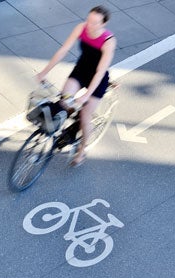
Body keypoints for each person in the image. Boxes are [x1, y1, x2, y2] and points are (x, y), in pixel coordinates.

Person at [36, 5, 116, 166]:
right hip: (80, 72)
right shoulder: (81, 28)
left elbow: (100, 71)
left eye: (94, 23)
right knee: (63, 102)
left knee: (86, 115)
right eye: (89, 20)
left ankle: (81, 150)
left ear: (103, 24)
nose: (89, 25)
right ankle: (67, 129)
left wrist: (86, 96)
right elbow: (63, 50)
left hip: (97, 80)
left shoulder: (109, 41)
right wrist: (44, 72)